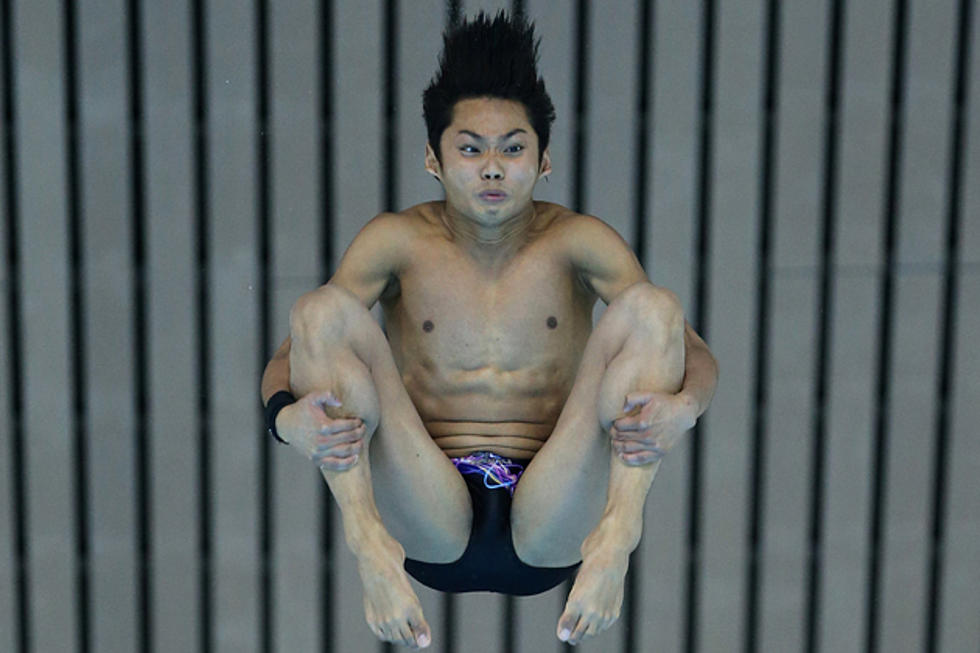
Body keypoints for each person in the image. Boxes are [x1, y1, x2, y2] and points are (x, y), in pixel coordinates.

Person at [260, 11, 717, 649]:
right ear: (434, 158)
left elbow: (687, 347)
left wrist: (686, 409)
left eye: (513, 148)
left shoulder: (579, 242)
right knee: (320, 311)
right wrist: (286, 420)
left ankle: (617, 539)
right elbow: (296, 351)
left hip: (554, 507)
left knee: (653, 308)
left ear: (544, 158)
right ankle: (368, 547)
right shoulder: (396, 242)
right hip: (426, 508)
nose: (493, 168)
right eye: (471, 149)